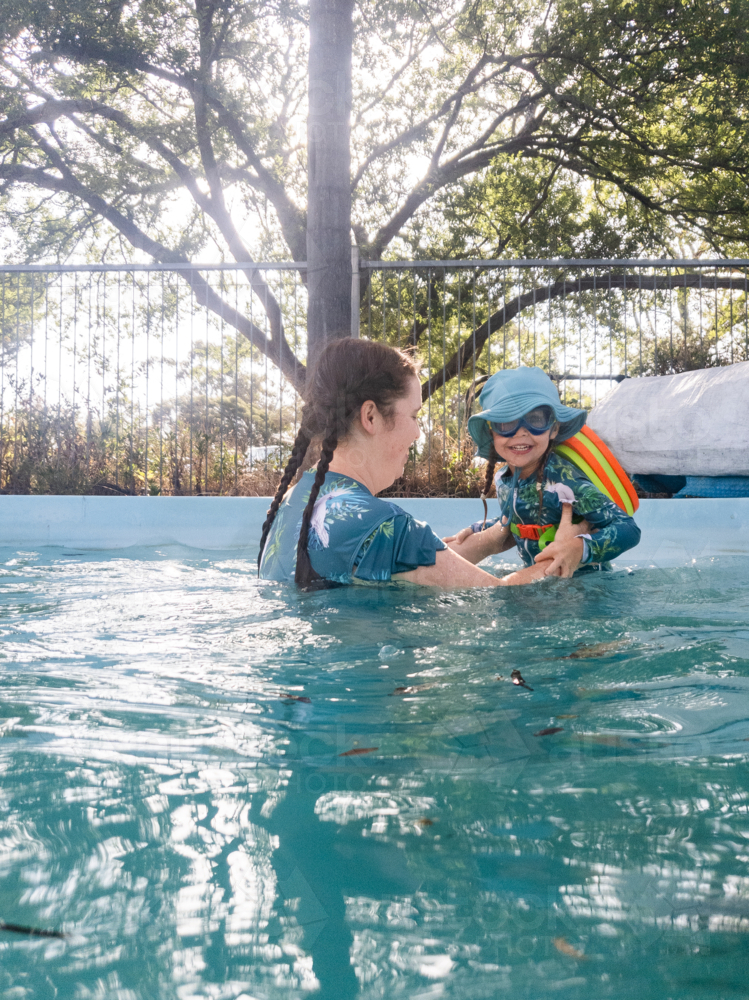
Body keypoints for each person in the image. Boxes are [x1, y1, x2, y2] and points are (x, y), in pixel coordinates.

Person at [258, 341, 567, 589]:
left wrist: (492, 539)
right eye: (415, 416)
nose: (418, 432)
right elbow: (503, 597)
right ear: (371, 417)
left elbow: (412, 564)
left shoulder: (298, 497)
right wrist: (568, 548)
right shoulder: (383, 525)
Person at [444, 366, 641, 575]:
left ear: (554, 429)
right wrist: (478, 529)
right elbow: (518, 518)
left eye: (535, 419)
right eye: (506, 422)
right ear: (491, 431)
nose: (520, 432)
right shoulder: (504, 480)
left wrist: (579, 549)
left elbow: (628, 528)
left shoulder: (565, 482)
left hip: (587, 590)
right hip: (540, 586)